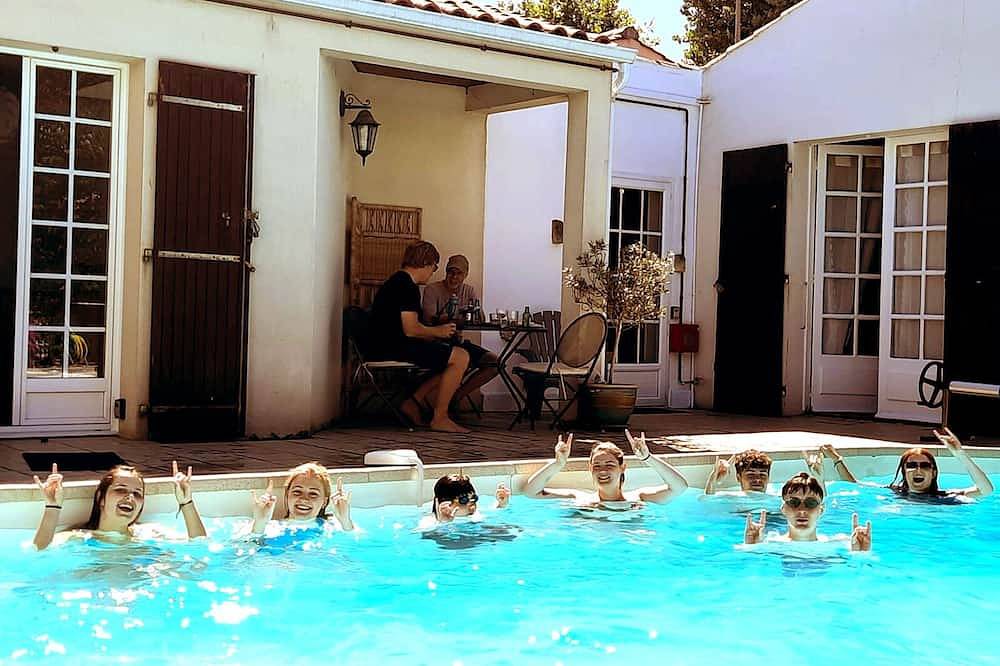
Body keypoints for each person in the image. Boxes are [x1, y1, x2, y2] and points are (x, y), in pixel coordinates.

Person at [367, 241, 470, 433]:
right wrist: (438, 332)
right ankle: (440, 418)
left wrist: (434, 336)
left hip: (385, 344)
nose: (433, 272)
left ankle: (413, 402)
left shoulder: (397, 282)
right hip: (391, 347)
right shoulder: (406, 287)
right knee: (460, 357)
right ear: (426, 263)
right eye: (434, 267)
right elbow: (411, 329)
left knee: (451, 358)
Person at [32, 461, 207, 550]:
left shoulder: (150, 533)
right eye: (121, 490)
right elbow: (40, 550)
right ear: (101, 498)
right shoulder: (79, 537)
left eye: (138, 494)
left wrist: (186, 502)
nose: (130, 497)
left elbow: (199, 545)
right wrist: (52, 507)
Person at [523, 430, 689, 507]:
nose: (602, 471)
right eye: (597, 466)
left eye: (609, 465)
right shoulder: (580, 498)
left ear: (622, 468)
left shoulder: (639, 498)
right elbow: (531, 492)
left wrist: (648, 458)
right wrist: (558, 464)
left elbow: (680, 487)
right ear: (590, 469)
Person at [419, 254, 499, 413]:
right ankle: (435, 406)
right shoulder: (432, 289)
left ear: (466, 275)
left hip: (458, 342)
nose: (454, 277)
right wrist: (458, 317)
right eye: (451, 272)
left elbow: (478, 317)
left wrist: (466, 315)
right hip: (436, 343)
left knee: (494, 363)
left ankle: (457, 397)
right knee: (460, 360)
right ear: (445, 272)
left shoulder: (468, 290)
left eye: (459, 273)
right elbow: (429, 319)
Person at [823, 428, 994, 499]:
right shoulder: (893, 493)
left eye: (925, 466)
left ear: (934, 472)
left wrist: (960, 454)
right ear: (904, 472)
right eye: (911, 465)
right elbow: (855, 484)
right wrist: (836, 459)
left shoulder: (944, 497)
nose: (918, 469)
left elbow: (985, 490)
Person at [743, 472, 872, 551]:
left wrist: (861, 553)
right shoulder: (770, 544)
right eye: (794, 502)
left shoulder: (840, 544)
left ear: (821, 510)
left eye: (811, 503)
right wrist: (752, 547)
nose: (802, 510)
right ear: (783, 509)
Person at [250, 462, 354, 534]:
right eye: (297, 492)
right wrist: (259, 523)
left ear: (324, 502)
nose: (304, 499)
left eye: (313, 494)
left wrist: (345, 520)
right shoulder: (270, 528)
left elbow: (354, 548)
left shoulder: (334, 527)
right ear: (287, 496)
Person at [424, 474, 510, 526]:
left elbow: (490, 512)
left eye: (474, 498)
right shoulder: (429, 522)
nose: (471, 504)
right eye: (464, 500)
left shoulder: (475, 516)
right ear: (446, 503)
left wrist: (501, 504)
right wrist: (442, 523)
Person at [704, 449, 773, 495]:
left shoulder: (779, 499)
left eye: (762, 475)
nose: (757, 480)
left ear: (768, 478)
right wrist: (712, 480)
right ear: (738, 478)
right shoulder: (731, 499)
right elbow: (708, 502)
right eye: (750, 475)